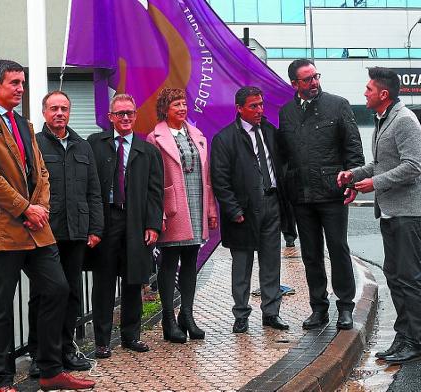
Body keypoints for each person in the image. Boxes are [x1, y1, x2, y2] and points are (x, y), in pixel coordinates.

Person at [0, 60, 94, 391]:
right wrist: (25, 209)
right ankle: (1, 380)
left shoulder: (24, 124)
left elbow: (41, 172)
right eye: (15, 83)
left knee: (58, 289)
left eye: (22, 83)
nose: (21, 88)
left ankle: (50, 370)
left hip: (36, 229)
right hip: (3, 229)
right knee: (1, 305)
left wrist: (41, 207)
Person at [338, 67, 421, 364]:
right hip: (393, 212)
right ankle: (404, 337)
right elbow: (381, 164)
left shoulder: (405, 121)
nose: (364, 93)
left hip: (409, 212)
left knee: (408, 279)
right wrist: (354, 175)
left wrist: (374, 184)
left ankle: (416, 342)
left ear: (384, 94)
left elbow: (412, 168)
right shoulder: (384, 119)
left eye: (368, 89)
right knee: (395, 276)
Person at [278, 59, 364, 331]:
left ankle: (346, 307)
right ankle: (318, 308)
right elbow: (284, 155)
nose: (314, 82)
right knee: (311, 254)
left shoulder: (338, 105)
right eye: (308, 79)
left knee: (338, 249)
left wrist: (353, 180)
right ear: (295, 84)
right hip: (301, 195)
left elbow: (353, 147)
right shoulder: (286, 112)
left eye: (316, 76)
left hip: (332, 192)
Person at [27, 91, 104, 376]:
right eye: (54, 108)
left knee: (72, 292)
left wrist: (96, 228)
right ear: (44, 112)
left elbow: (94, 192)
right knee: (42, 294)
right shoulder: (34, 144)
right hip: (44, 233)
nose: (59, 113)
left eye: (64, 108)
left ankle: (66, 348)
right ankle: (38, 354)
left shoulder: (83, 147)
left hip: (76, 233)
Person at [87, 94, 164, 358]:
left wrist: (153, 224)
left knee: (134, 281)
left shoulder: (148, 151)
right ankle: (102, 341)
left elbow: (156, 193)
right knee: (104, 281)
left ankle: (131, 336)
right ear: (110, 117)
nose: (125, 118)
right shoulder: (95, 144)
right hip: (106, 220)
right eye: (120, 113)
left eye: (130, 113)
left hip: (136, 221)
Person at [211, 86, 289, 334]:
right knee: (242, 265)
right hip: (243, 211)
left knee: (271, 262)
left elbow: (282, 165)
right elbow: (220, 180)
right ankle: (241, 314)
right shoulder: (225, 139)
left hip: (271, 204)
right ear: (239, 108)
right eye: (254, 106)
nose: (260, 110)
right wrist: (234, 210)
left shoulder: (269, 132)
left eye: (261, 104)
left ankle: (271, 312)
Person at [146, 88, 218, 343]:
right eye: (176, 104)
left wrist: (210, 209)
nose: (182, 108)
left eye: (184, 103)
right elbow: (153, 179)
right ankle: (168, 318)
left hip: (196, 204)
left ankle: (187, 316)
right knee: (168, 261)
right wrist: (159, 213)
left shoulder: (197, 135)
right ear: (165, 109)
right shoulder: (155, 138)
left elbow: (206, 176)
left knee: (191, 261)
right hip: (173, 207)